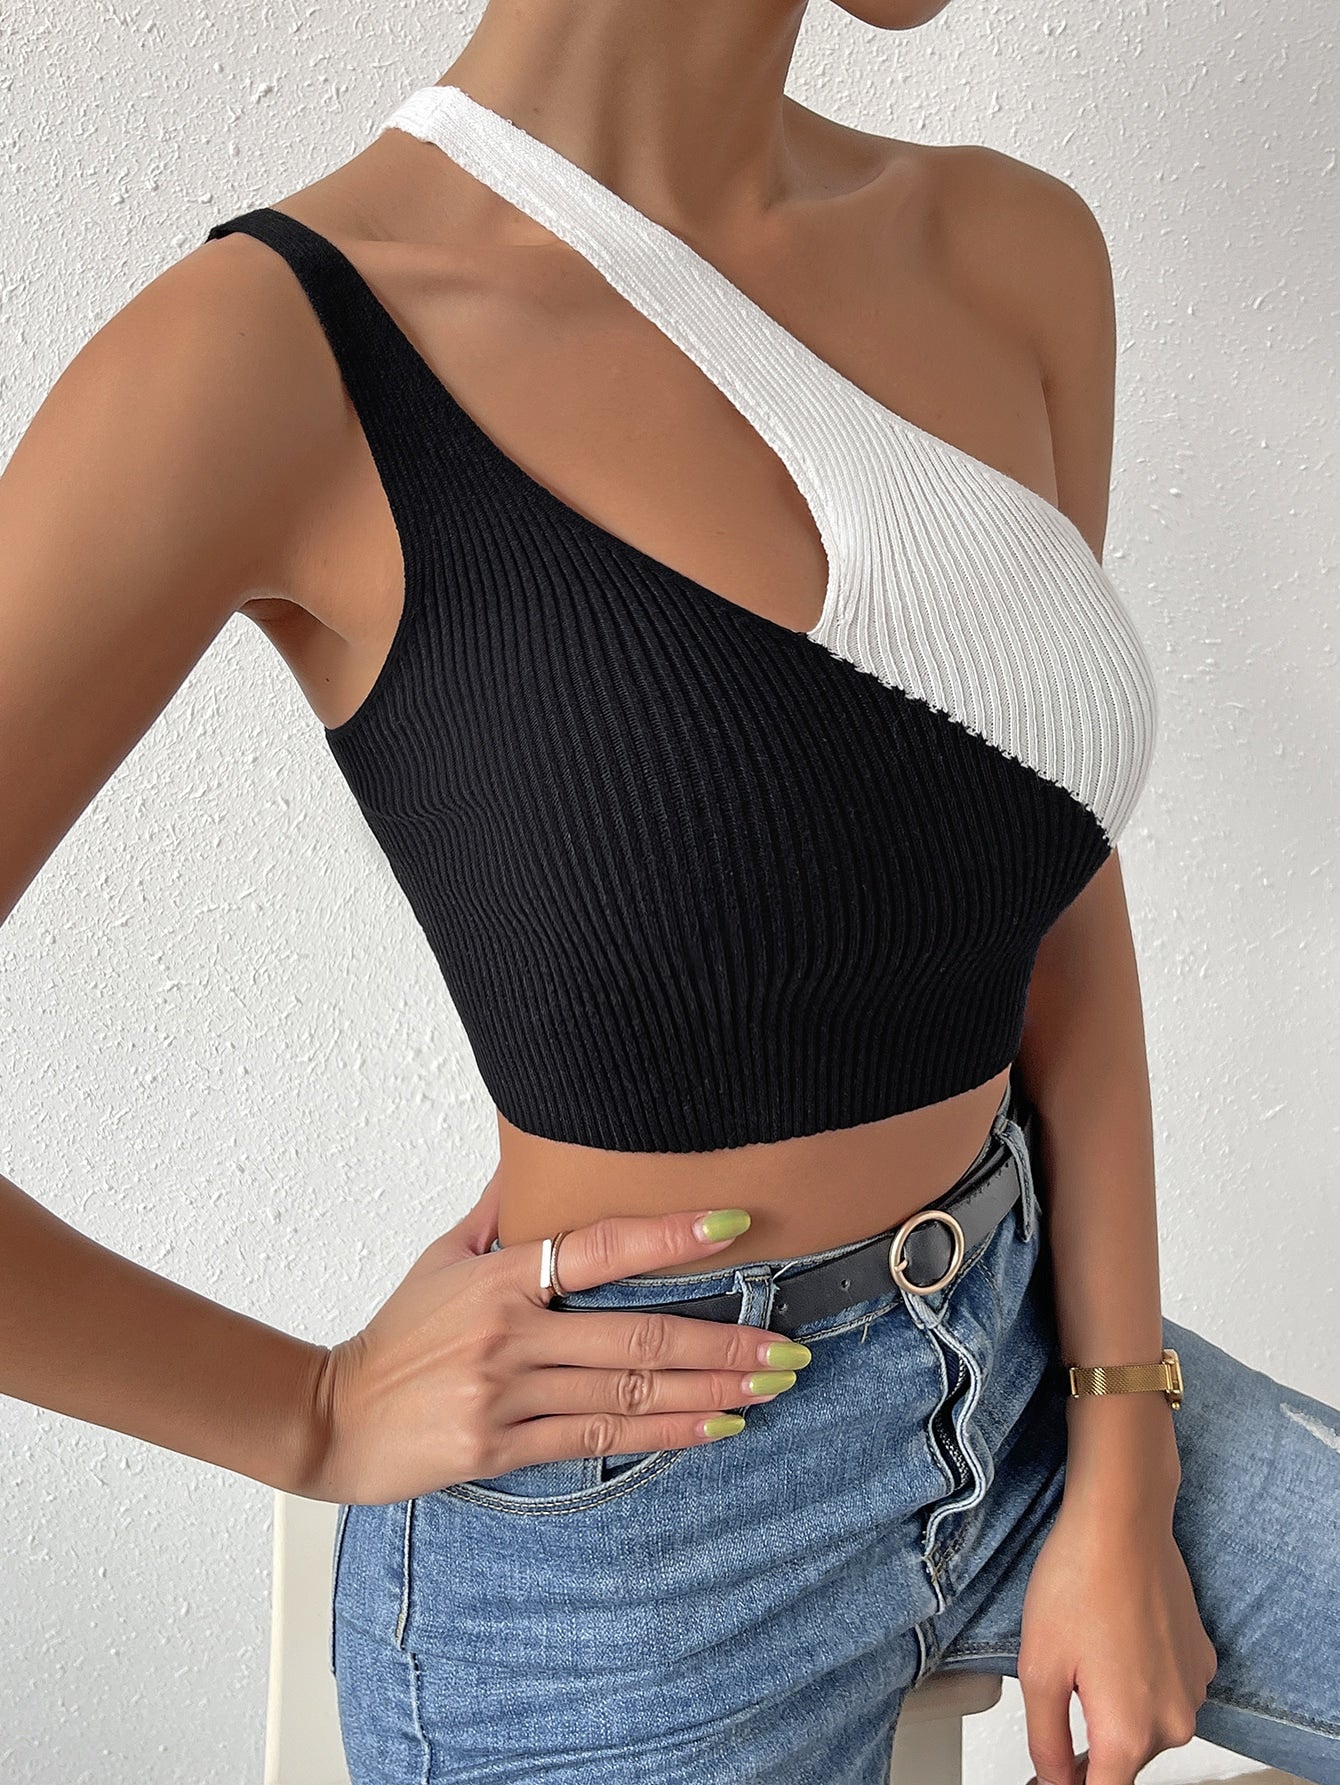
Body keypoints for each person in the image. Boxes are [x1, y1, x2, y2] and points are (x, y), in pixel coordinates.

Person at [2, 4, 1336, 1782]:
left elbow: (1040, 863)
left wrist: (1121, 1443)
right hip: (624, 1547)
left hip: (1025, 1355)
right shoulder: (268, 355)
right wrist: (307, 1411)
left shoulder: (1011, 252)